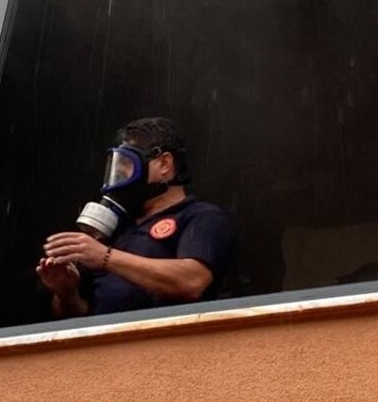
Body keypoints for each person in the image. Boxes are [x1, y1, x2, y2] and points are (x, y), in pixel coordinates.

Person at [37, 117, 236, 317]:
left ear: (164, 164)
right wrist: (66, 294)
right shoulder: (115, 230)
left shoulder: (201, 217)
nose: (119, 172)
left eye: (126, 163)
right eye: (116, 165)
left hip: (166, 343)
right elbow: (76, 317)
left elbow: (192, 282)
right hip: (108, 346)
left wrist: (105, 257)